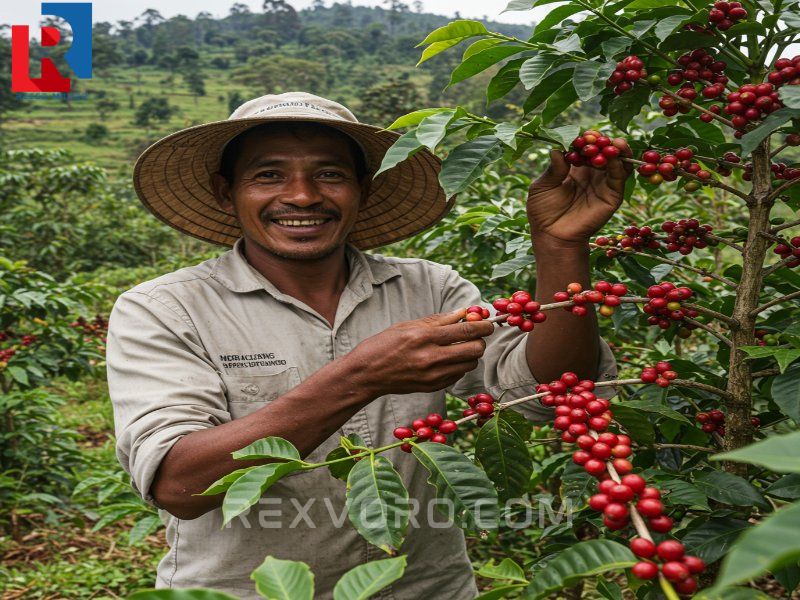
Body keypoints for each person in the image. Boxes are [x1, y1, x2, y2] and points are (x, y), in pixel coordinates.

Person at [108, 92, 629, 599]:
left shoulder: (432, 291)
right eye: (268, 175)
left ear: (364, 189)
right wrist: (360, 376)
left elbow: (553, 393)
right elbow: (179, 484)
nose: (304, 195)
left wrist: (561, 249)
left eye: (330, 174)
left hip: (427, 587)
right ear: (227, 193)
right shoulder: (165, 310)